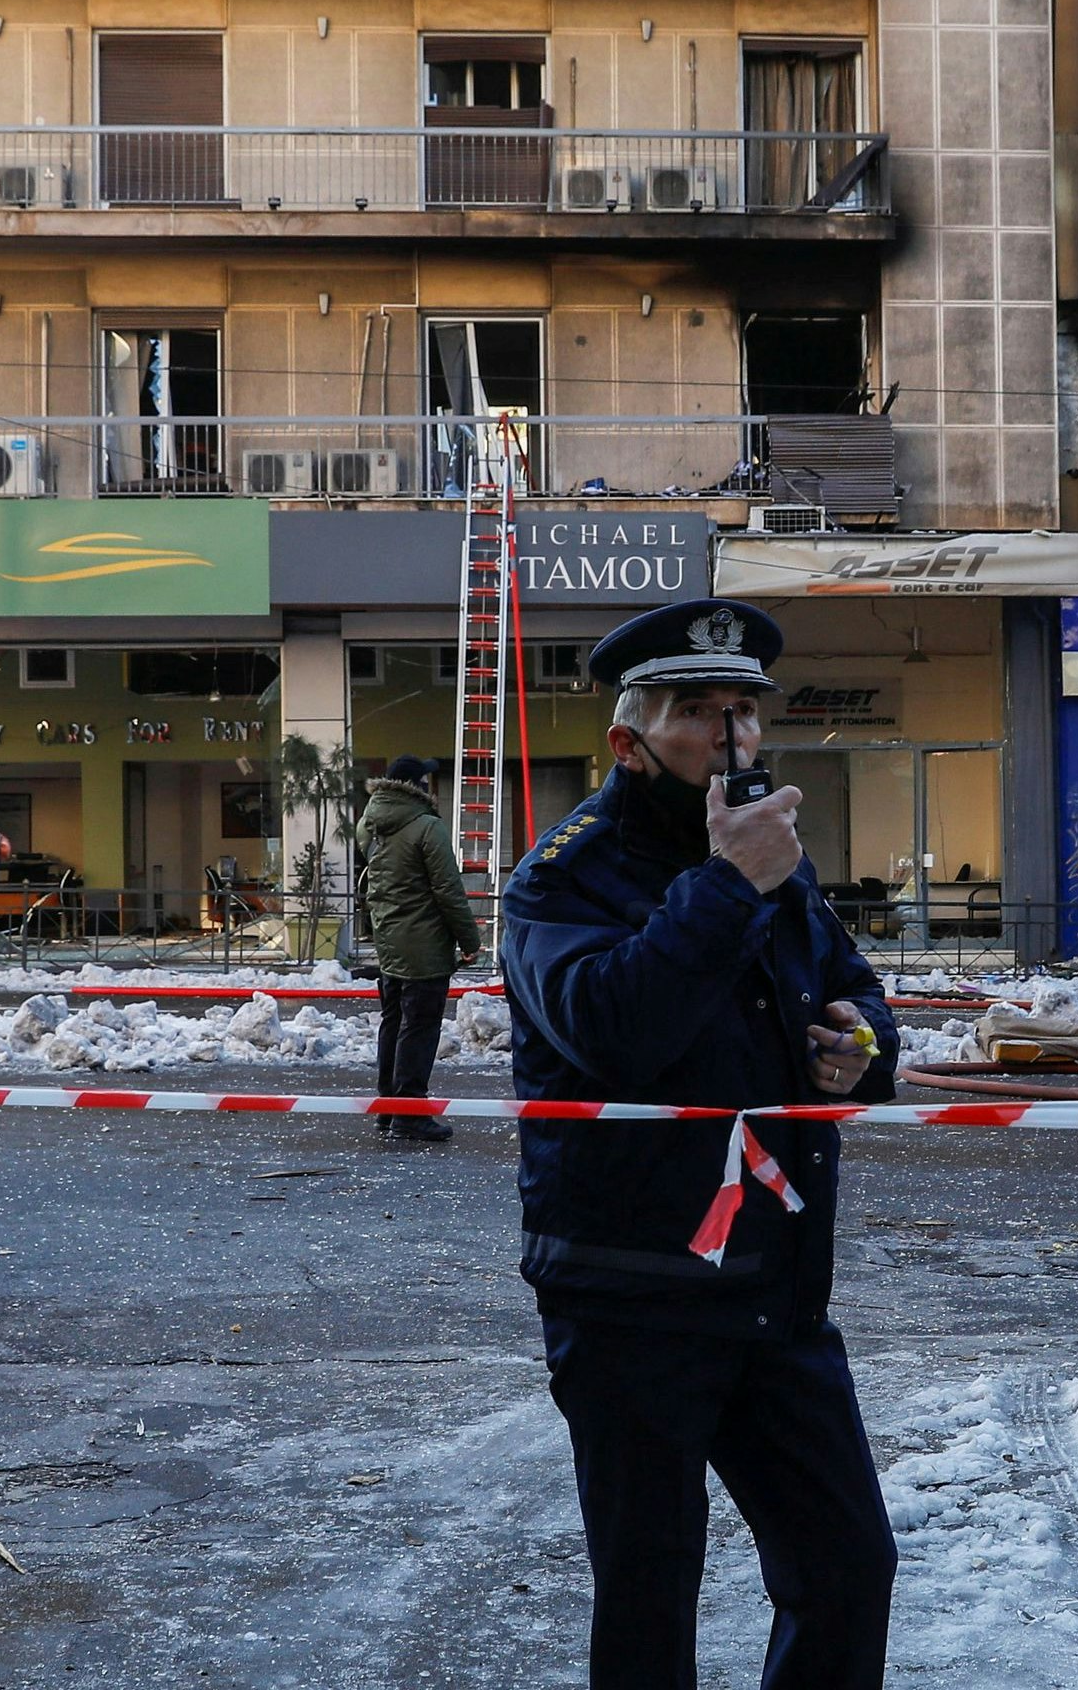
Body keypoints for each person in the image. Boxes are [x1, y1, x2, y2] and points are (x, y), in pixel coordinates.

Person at [502, 597, 902, 1690]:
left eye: (744, 710)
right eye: (696, 711)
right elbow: (614, 1032)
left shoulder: (777, 861)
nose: (730, 735)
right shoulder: (562, 878)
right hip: (631, 1292)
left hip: (774, 1283)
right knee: (650, 1587)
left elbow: (857, 997)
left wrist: (860, 1047)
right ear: (628, 742)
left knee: (846, 1563)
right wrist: (727, 884)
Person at [357, 753, 481, 1142]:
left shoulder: (369, 824)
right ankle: (410, 1112)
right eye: (425, 780)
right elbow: (448, 890)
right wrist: (469, 940)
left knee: (393, 1020)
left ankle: (388, 1107)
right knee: (421, 1026)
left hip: (389, 941)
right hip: (424, 945)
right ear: (415, 787)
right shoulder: (427, 827)